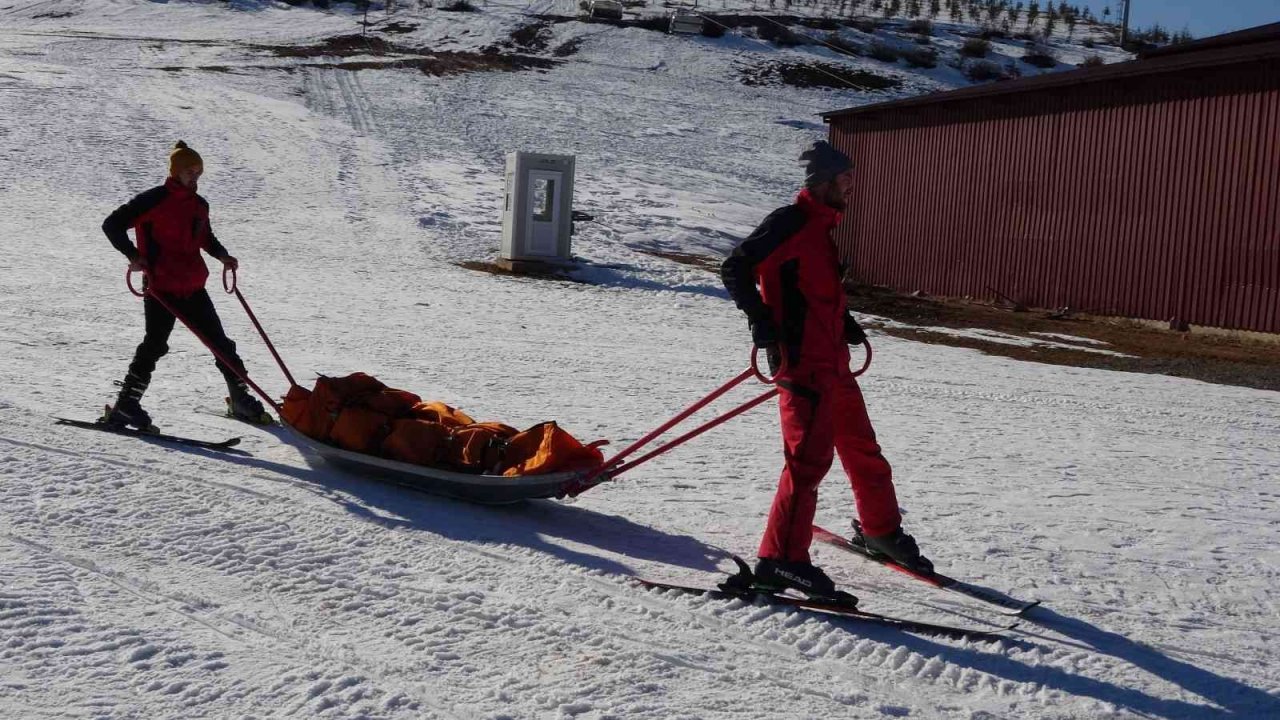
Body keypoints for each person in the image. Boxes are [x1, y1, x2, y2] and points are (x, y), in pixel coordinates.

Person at [720, 140, 932, 599]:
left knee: (863, 450)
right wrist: (761, 321)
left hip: (833, 360)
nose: (851, 188)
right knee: (808, 463)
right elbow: (735, 267)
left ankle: (881, 531)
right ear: (823, 182)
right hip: (803, 364)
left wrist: (847, 322)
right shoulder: (790, 221)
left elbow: (813, 289)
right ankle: (781, 560)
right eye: (845, 179)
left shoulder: (821, 228)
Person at [101, 141, 268, 429]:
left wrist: (222, 255)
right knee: (154, 345)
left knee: (222, 345)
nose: (195, 176)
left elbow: (205, 237)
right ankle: (126, 405)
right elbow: (112, 224)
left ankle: (239, 399)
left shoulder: (199, 205)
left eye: (198, 171)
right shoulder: (153, 200)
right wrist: (133, 256)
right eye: (190, 171)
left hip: (193, 286)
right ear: (175, 171)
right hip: (161, 287)